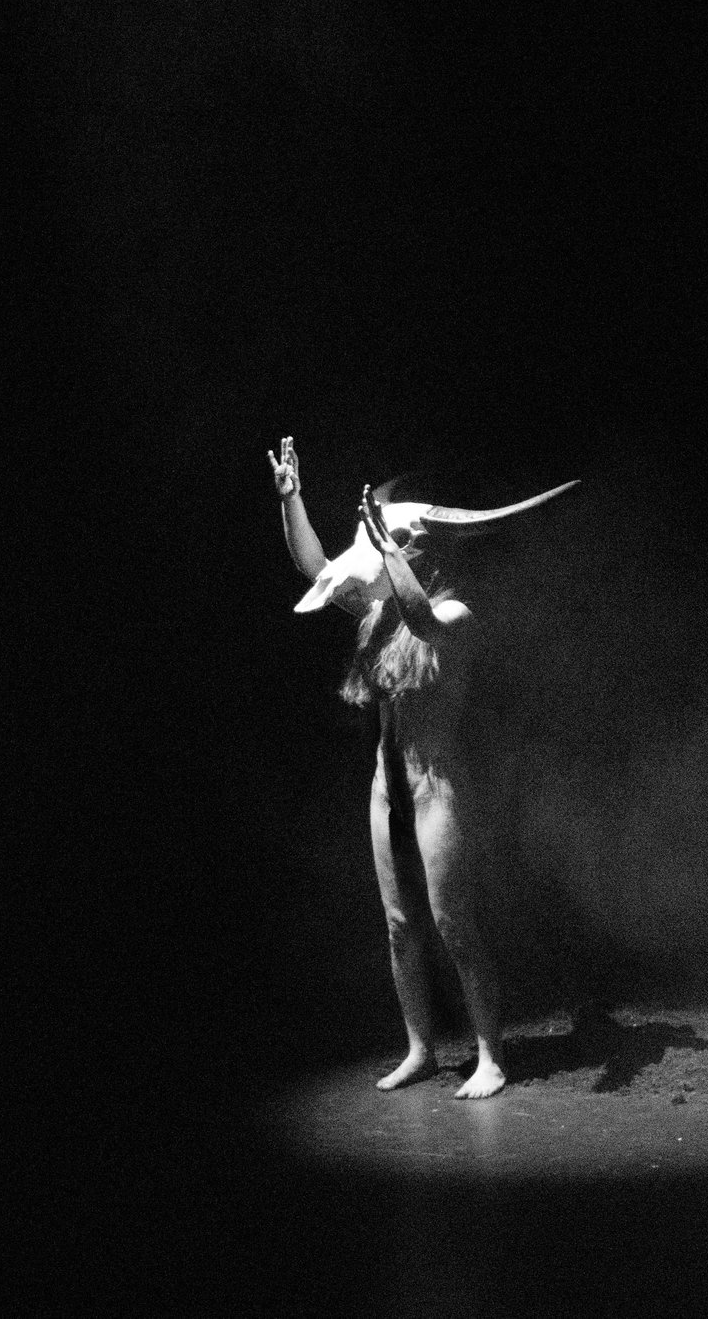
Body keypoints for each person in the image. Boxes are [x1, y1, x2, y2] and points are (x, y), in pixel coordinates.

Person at [268, 435, 575, 1096]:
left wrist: (386, 550)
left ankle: (490, 1056)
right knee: (400, 928)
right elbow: (314, 565)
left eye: (385, 550)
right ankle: (420, 1049)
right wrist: (292, 499)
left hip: (438, 790)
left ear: (412, 553)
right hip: (387, 793)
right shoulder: (374, 610)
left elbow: (421, 617)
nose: (372, 563)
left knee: (453, 925)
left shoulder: (451, 612)